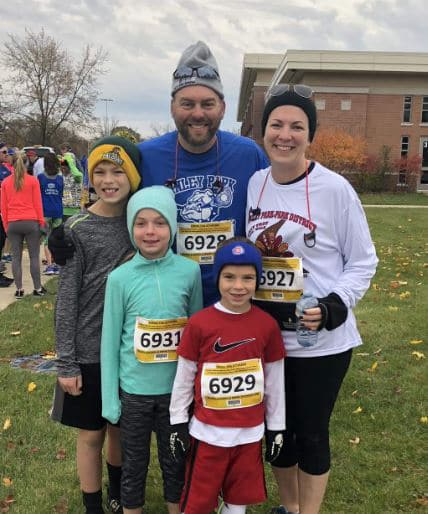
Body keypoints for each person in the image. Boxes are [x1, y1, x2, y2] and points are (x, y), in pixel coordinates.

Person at [246, 84, 378, 514]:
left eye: (296, 126)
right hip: (268, 340)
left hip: (320, 343)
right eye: (276, 124)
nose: (285, 135)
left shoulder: (334, 189)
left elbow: (363, 261)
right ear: (264, 131)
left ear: (310, 135)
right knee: (278, 434)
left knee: (312, 434)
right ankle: (289, 507)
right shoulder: (255, 184)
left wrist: (335, 307)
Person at [138, 41, 269, 306]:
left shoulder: (249, 155)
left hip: (233, 300)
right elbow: (111, 206)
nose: (198, 114)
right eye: (187, 103)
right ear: (172, 106)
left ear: (222, 107)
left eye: (207, 104)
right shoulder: (145, 157)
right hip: (165, 299)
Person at [50, 135, 142, 514]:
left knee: (119, 430)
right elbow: (67, 299)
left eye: (118, 171)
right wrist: (66, 361)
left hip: (127, 351)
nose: (109, 179)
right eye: (99, 171)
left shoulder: (144, 222)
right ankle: (93, 506)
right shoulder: (77, 230)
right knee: (91, 434)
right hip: (87, 350)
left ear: (132, 177)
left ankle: (118, 496)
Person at [101, 186, 203, 514]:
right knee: (133, 465)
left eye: (159, 223)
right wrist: (110, 399)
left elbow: (197, 336)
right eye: (141, 223)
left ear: (172, 227)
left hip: (176, 393)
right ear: (131, 228)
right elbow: (109, 342)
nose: (150, 231)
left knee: (175, 461)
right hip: (135, 392)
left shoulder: (190, 272)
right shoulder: (119, 279)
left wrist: (196, 392)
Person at [169, 238, 286, 514]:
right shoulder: (200, 323)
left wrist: (276, 428)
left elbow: (274, 381)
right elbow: (184, 376)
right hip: (208, 434)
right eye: (229, 277)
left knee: (238, 503)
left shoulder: (267, 326)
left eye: (248, 278)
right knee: (197, 504)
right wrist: (177, 422)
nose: (238, 286)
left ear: (258, 279)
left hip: (249, 435)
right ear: (217, 277)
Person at [0, 152, 46, 298]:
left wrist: (6, 225)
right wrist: (41, 222)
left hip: (13, 222)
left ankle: (19, 289)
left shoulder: (6, 182)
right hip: (31, 221)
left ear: (11, 164)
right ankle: (37, 288)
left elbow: (3, 207)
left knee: (16, 257)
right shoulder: (33, 181)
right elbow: (38, 204)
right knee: (34, 257)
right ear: (27, 164)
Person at [37, 152, 64, 275]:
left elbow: (38, 194)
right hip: (57, 211)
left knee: (47, 239)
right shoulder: (60, 178)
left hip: (45, 211)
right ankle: (57, 264)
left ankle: (49, 265)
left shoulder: (41, 177)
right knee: (56, 238)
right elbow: (61, 193)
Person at [0, 142, 14, 286]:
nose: (6, 155)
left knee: (3, 238)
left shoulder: (5, 170)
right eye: (4, 152)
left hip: (5, 210)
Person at [60, 153, 83, 221]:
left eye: (66, 164)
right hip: (61, 211)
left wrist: (70, 161)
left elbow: (78, 175)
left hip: (74, 211)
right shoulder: (60, 176)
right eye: (63, 164)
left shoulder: (77, 176)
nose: (64, 167)